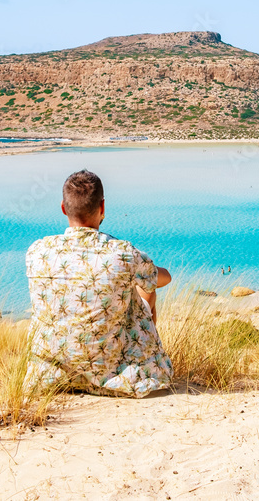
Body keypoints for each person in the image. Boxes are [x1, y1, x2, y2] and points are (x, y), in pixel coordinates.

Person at [25, 170, 173, 398]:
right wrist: (149, 272)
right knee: (145, 288)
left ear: (64, 208)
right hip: (112, 373)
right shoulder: (122, 253)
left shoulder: (37, 251)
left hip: (50, 377)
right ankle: (141, 361)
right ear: (102, 207)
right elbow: (164, 278)